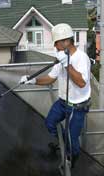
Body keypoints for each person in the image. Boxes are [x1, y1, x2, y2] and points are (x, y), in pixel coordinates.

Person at [19, 23, 91, 168]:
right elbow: (51, 78)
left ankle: (72, 157)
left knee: (72, 138)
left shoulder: (81, 58)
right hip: (63, 103)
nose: (55, 47)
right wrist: (33, 81)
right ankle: (65, 143)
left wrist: (67, 65)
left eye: (56, 44)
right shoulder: (61, 57)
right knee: (50, 123)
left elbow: (82, 83)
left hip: (77, 107)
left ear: (66, 41)